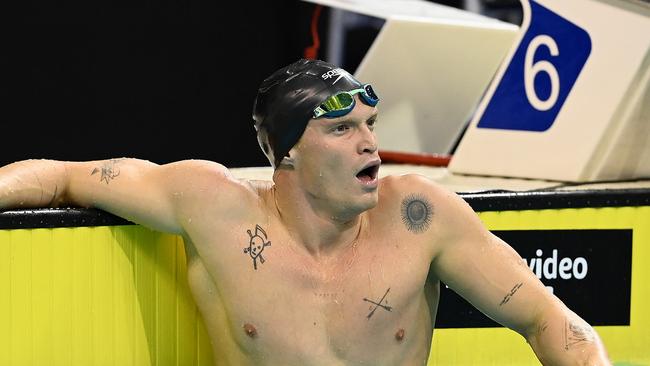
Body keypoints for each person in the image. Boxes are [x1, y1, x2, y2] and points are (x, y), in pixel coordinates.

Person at [0, 58, 611, 365]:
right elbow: (60, 177)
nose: (370, 143)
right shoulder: (215, 208)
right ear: (287, 151)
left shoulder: (418, 215)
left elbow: (548, 318)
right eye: (342, 129)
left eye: (369, 124)